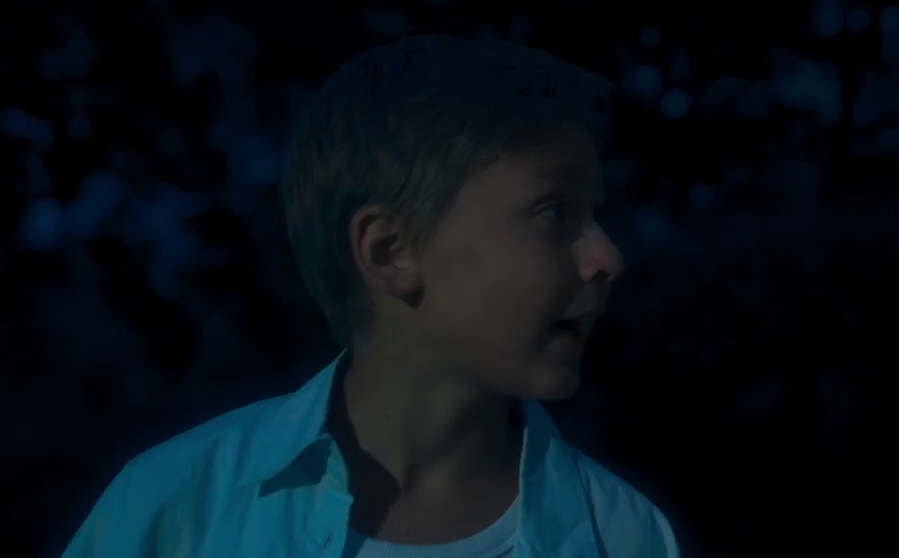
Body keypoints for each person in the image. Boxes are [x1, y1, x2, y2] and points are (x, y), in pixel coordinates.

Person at [62, 35, 681, 557]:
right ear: (390, 252)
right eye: (553, 212)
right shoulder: (179, 504)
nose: (608, 257)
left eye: (596, 214)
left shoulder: (625, 536)